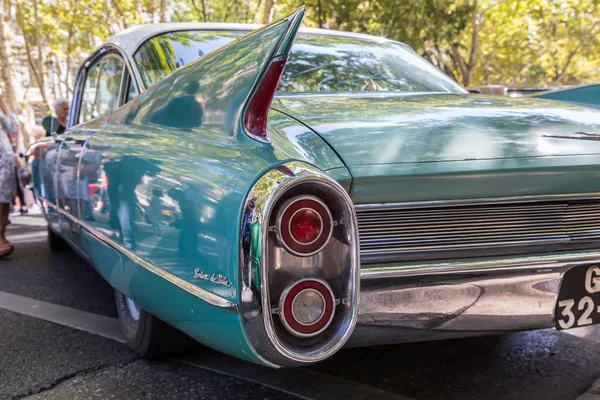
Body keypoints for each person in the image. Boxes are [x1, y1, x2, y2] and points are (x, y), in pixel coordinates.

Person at [0, 94, 17, 257]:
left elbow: (12, 126)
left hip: (4, 153)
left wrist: (3, 104)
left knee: (3, 197)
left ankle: (1, 236)